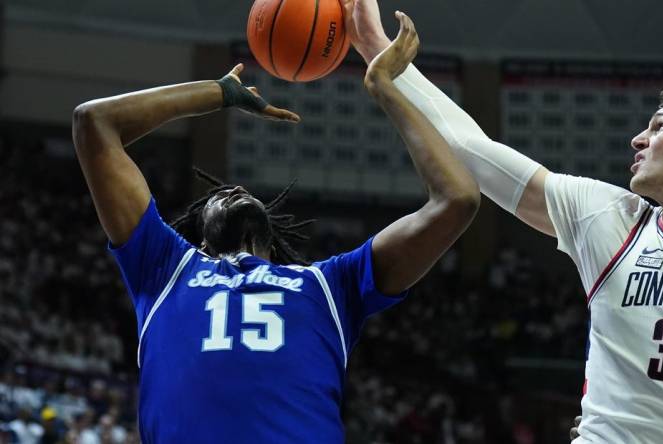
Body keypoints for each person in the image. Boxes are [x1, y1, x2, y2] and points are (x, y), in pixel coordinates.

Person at [345, 1, 663, 442]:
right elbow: (471, 149)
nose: (638, 138)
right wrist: (374, 46)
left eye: (659, 127)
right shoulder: (609, 217)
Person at [71, 13, 479, 444]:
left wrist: (385, 87)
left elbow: (457, 201)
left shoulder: (331, 286)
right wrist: (219, 93)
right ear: (203, 240)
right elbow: (93, 124)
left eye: (238, 189)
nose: (235, 190)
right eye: (217, 194)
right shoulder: (164, 268)